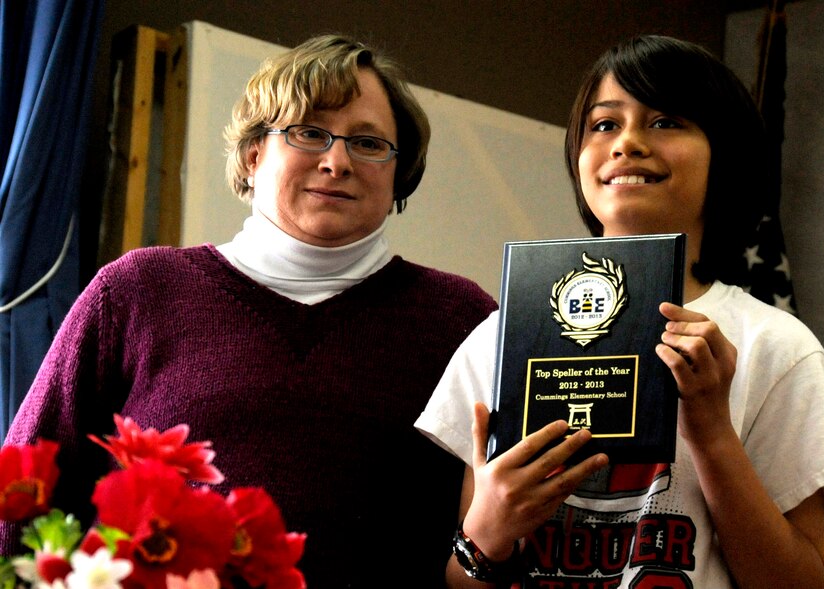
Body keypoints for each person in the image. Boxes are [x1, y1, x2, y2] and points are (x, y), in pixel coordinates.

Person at [2, 34, 498, 586]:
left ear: (399, 173)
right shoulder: (136, 292)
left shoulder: (465, 322)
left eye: (369, 143)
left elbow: (502, 529)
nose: (337, 161)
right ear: (253, 154)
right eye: (310, 133)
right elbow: (22, 490)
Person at [416, 34, 824, 588]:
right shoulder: (502, 336)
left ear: (725, 155)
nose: (627, 143)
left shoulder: (776, 346)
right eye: (604, 125)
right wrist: (489, 527)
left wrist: (713, 433)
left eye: (665, 121)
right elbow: (463, 581)